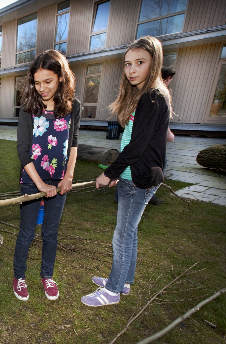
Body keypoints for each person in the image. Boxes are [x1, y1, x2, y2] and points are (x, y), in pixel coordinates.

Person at [81, 36, 171, 307]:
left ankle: (112, 291)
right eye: (128, 64)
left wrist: (110, 172)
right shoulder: (145, 95)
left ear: (153, 63)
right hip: (133, 176)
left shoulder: (153, 97)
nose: (131, 70)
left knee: (121, 234)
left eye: (139, 63)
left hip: (138, 179)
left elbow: (137, 146)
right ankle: (124, 280)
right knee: (129, 232)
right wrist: (120, 173)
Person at [12, 50, 80, 301]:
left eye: (48, 81)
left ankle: (47, 275)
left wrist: (68, 176)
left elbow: (73, 143)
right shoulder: (29, 108)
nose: (42, 88)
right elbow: (23, 150)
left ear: (61, 77)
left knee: (51, 232)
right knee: (27, 232)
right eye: (37, 82)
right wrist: (39, 184)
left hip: (59, 180)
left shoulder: (73, 107)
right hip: (32, 179)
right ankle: (19, 276)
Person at [148, 66, 176, 205]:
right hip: (154, 143)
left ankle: (146, 194)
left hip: (151, 141)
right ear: (168, 78)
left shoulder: (154, 94)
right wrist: (169, 134)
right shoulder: (159, 95)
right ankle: (148, 195)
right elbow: (160, 122)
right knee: (159, 167)